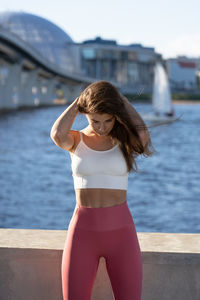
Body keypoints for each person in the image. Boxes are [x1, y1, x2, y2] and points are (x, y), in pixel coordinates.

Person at [50, 80, 154, 300]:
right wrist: (80, 102)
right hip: (82, 234)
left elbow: (143, 137)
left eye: (108, 120)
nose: (102, 127)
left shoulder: (124, 141)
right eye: (96, 120)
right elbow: (58, 134)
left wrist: (122, 102)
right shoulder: (76, 140)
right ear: (86, 114)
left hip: (122, 235)